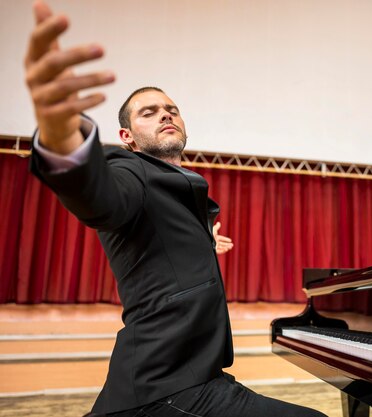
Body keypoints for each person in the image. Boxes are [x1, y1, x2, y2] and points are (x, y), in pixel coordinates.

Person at [24, 1, 327, 416]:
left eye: (172, 109)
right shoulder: (127, 167)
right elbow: (101, 199)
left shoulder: (173, 187)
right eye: (149, 113)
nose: (166, 114)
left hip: (189, 377)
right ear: (127, 136)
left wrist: (204, 237)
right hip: (168, 387)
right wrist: (62, 138)